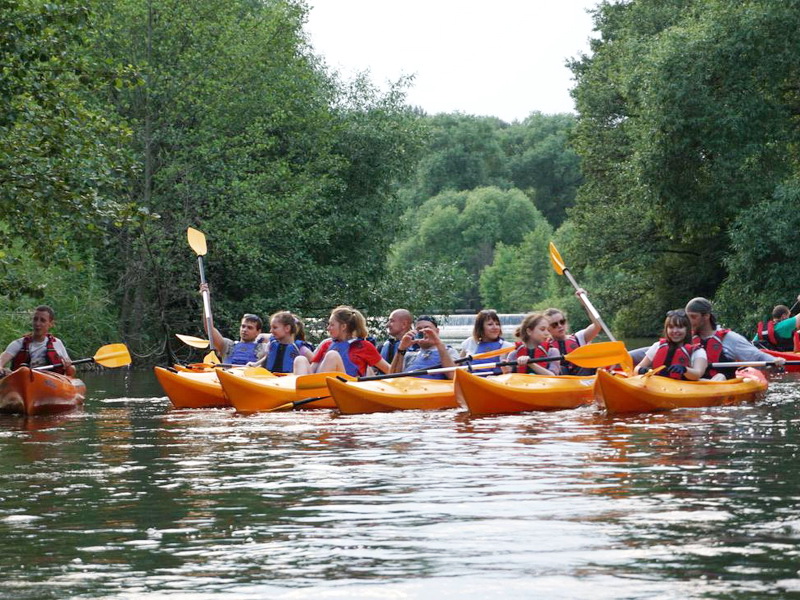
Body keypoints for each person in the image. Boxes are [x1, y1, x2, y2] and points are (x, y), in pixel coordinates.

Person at [685, 296, 785, 380]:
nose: (688, 321)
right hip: (691, 384)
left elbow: (758, 357)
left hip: (719, 384)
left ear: (706, 316)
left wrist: (775, 361)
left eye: (693, 317)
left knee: (720, 377)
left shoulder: (729, 338)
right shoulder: (685, 338)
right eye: (687, 317)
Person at [294, 305, 390, 377]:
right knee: (300, 359)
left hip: (347, 390)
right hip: (319, 387)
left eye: (332, 325)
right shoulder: (327, 344)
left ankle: (315, 393)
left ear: (343, 326)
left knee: (333, 355)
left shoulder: (364, 346)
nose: (328, 328)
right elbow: (312, 370)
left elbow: (389, 370)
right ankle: (299, 393)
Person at [199, 284, 267, 365]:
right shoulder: (227, 345)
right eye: (243, 326)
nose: (245, 330)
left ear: (258, 331)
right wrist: (207, 299)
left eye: (250, 328)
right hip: (228, 375)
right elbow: (209, 329)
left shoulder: (264, 348)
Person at [0, 305, 75, 377]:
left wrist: (68, 366)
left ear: (51, 324)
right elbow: (2, 359)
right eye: (35, 319)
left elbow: (71, 372)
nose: (37, 323)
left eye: (42, 320)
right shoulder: (18, 344)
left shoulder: (57, 343)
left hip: (50, 383)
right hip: (22, 380)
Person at [635, 310, 707, 380]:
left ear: (687, 329)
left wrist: (685, 370)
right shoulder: (657, 346)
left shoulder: (698, 351)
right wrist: (641, 370)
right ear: (666, 329)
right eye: (671, 327)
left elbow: (698, 374)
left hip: (683, 389)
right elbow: (636, 368)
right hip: (657, 387)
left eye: (680, 327)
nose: (675, 331)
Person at [543, 298, 602, 376]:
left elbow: (597, 325)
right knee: (561, 368)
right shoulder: (544, 345)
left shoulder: (579, 337)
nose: (560, 326)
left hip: (582, 378)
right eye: (554, 325)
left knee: (589, 364)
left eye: (562, 322)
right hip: (560, 381)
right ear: (547, 328)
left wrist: (584, 302)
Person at [390, 315, 459, 379]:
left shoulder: (449, 351)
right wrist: (401, 348)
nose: (423, 332)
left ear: (437, 331)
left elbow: (452, 375)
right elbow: (392, 377)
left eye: (427, 328)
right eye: (419, 329)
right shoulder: (410, 355)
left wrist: (438, 343)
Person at [249, 311, 314, 373]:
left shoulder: (300, 348)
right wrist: (255, 365)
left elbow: (314, 362)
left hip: (289, 381)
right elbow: (267, 358)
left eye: (275, 327)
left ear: (287, 328)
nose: (271, 331)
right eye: (271, 327)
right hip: (271, 379)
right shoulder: (271, 344)